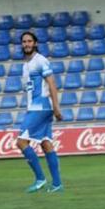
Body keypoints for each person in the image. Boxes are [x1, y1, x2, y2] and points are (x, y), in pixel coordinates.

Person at [15, 31, 63, 193]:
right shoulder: (25, 65)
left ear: (35, 43)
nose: (26, 44)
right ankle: (57, 184)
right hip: (35, 107)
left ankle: (40, 178)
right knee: (45, 143)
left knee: (21, 142)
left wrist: (56, 107)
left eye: (29, 41)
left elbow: (52, 83)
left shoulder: (40, 61)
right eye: (24, 42)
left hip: (41, 107)